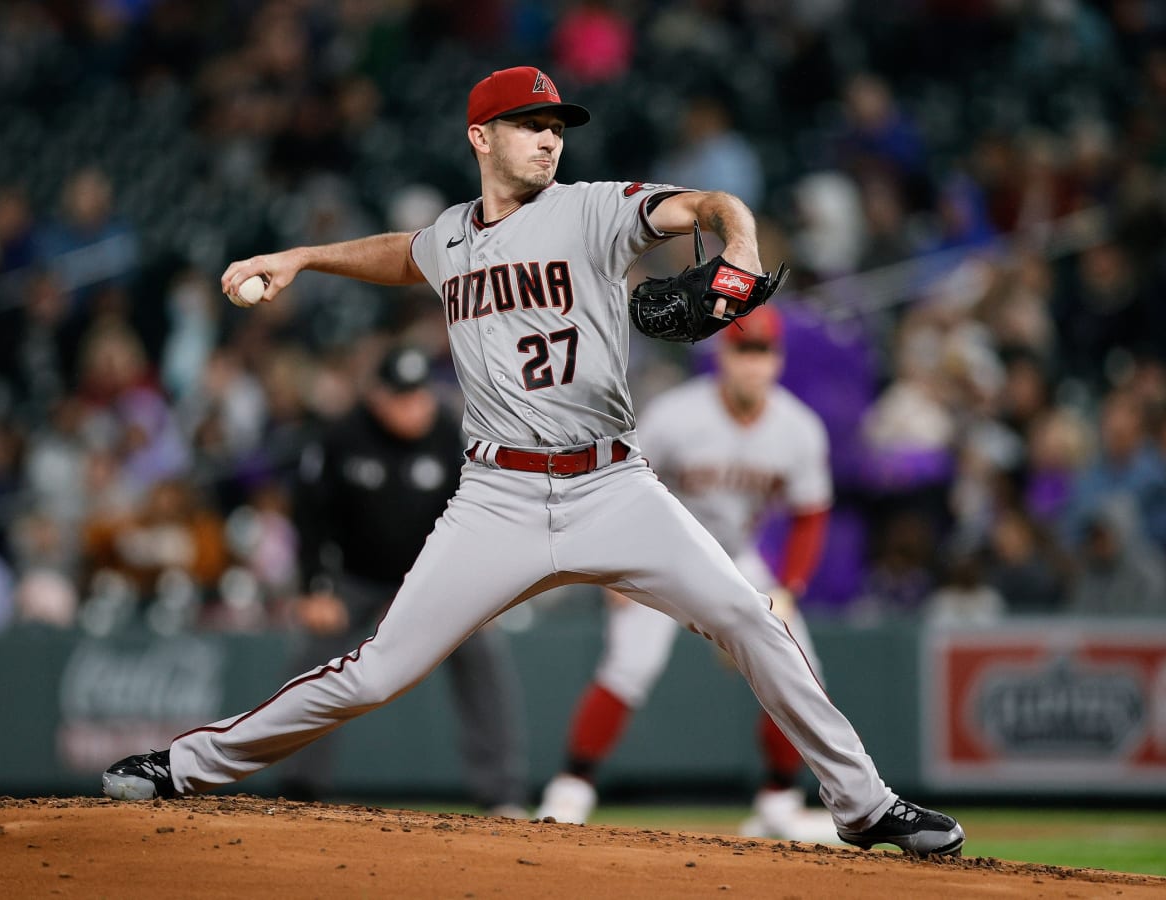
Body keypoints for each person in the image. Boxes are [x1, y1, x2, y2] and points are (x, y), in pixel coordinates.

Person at [102, 65, 964, 856]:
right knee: (375, 673)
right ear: (481, 137)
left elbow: (707, 204)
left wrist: (736, 246)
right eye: (528, 123)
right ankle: (181, 768)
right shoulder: (451, 239)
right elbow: (402, 253)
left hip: (614, 484)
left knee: (752, 622)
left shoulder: (589, 207)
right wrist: (300, 257)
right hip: (497, 496)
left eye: (557, 125)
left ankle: (864, 805)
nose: (550, 138)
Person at [535, 305, 840, 842]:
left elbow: (810, 517)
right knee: (630, 666)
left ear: (778, 359)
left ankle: (777, 799)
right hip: (664, 551)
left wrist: (788, 589)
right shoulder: (678, 415)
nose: (753, 364)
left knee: (798, 668)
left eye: (762, 352)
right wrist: (616, 567)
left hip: (734, 556)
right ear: (722, 356)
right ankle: (571, 788)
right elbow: (620, 486)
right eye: (744, 351)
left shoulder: (798, 428)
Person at [278, 343, 528, 815]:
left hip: (429, 579)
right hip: (357, 577)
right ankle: (299, 789)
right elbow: (310, 516)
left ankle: (503, 793)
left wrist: (482, 590)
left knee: (482, 653)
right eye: (400, 397)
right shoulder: (342, 436)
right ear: (377, 396)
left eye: (418, 395)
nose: (412, 407)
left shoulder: (448, 436)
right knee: (314, 656)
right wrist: (314, 587)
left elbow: (480, 514)